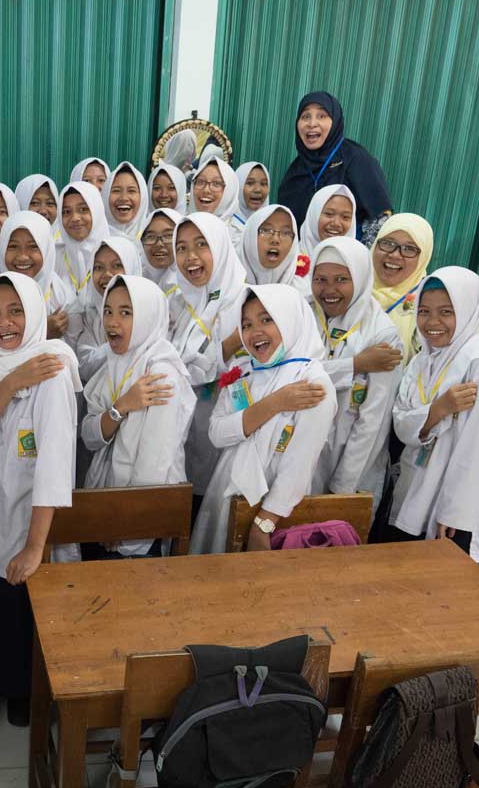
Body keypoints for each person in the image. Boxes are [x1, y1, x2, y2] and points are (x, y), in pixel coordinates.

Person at [0, 271, 79, 726]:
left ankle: (21, 694)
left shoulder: (52, 368)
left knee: (16, 621)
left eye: (16, 311)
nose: (5, 323)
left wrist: (33, 547)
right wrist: (9, 383)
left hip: (25, 522)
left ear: (36, 311)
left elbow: (53, 467)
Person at [191, 284, 336, 554]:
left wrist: (265, 521)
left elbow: (299, 464)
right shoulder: (244, 372)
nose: (254, 331)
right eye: (246, 324)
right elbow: (217, 433)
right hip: (225, 492)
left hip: (274, 509)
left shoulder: (313, 381)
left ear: (290, 319)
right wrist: (274, 403)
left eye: (267, 319)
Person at [386, 268, 479, 562]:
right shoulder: (423, 359)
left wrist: (456, 513)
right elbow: (401, 423)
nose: (433, 323)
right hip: (414, 486)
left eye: (446, 311)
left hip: (451, 506)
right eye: (424, 311)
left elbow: (478, 448)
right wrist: (438, 410)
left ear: (468, 310)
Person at [81, 275, 195, 558]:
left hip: (137, 520)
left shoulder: (162, 373)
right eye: (108, 310)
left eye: (126, 312)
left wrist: (129, 529)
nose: (111, 321)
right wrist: (121, 407)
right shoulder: (111, 364)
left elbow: (154, 463)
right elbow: (89, 436)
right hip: (104, 507)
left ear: (148, 317)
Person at [309, 237, 403, 509]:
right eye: (320, 279)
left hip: (351, 465)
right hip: (298, 460)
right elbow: (293, 377)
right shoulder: (304, 313)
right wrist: (355, 365)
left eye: (341, 279)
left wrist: (342, 489)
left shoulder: (382, 333)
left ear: (360, 278)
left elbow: (372, 422)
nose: (329, 290)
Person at [168, 213, 247, 516]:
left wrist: (198, 365)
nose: (191, 257)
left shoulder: (243, 302)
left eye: (202, 245)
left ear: (221, 247)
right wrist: (225, 348)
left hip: (225, 429)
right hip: (182, 430)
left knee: (216, 514)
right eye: (182, 248)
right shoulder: (177, 302)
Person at [278, 91, 392, 243]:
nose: (312, 123)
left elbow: (380, 217)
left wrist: (358, 257)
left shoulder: (356, 159)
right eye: (305, 116)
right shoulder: (297, 169)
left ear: (335, 121)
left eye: (321, 116)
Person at [68, 235, 141, 382]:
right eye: (99, 267)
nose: (107, 274)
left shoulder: (149, 310)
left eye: (117, 265)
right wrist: (120, 344)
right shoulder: (91, 314)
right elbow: (85, 366)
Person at [0, 212, 74, 341]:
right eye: (13, 246)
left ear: (47, 249)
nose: (22, 256)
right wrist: (42, 333)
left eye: (33, 246)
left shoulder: (63, 298)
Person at [371, 213, 435, 361]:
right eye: (388, 243)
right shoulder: (351, 288)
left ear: (423, 256)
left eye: (409, 249)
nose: (395, 255)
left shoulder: (429, 304)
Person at [237, 204, 311, 298]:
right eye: (266, 230)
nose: (275, 239)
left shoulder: (303, 291)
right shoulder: (229, 282)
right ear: (250, 235)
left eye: (285, 233)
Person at [58, 181, 110, 295]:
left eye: (83, 209)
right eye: (66, 212)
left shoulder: (115, 256)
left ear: (97, 212)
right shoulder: (53, 258)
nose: (75, 218)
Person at [191, 156, 242, 248]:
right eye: (200, 182)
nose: (206, 190)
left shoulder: (240, 238)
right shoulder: (181, 228)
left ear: (230, 190)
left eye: (216, 184)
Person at [299, 184, 356, 257]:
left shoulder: (357, 263)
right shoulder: (290, 262)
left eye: (345, 217)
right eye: (329, 214)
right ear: (314, 215)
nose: (336, 223)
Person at [138, 208, 184, 290]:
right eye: (151, 236)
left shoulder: (191, 286)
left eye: (168, 235)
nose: (159, 244)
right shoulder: (135, 280)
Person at [102, 161, 150, 240]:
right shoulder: (95, 239)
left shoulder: (151, 240)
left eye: (131, 191)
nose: (124, 198)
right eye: (116, 191)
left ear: (143, 197)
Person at [233, 162, 270, 227]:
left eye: (263, 183)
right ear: (238, 186)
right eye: (250, 183)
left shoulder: (272, 223)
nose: (258, 190)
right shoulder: (225, 226)